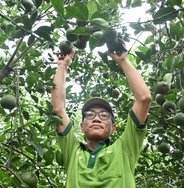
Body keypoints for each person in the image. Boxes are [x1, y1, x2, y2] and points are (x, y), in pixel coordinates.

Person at [51, 45, 152, 187]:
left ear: (113, 128)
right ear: (81, 126)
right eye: (90, 114)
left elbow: (144, 99)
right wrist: (62, 65)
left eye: (104, 115)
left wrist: (123, 60)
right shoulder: (72, 151)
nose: (97, 118)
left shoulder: (124, 149)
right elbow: (58, 109)